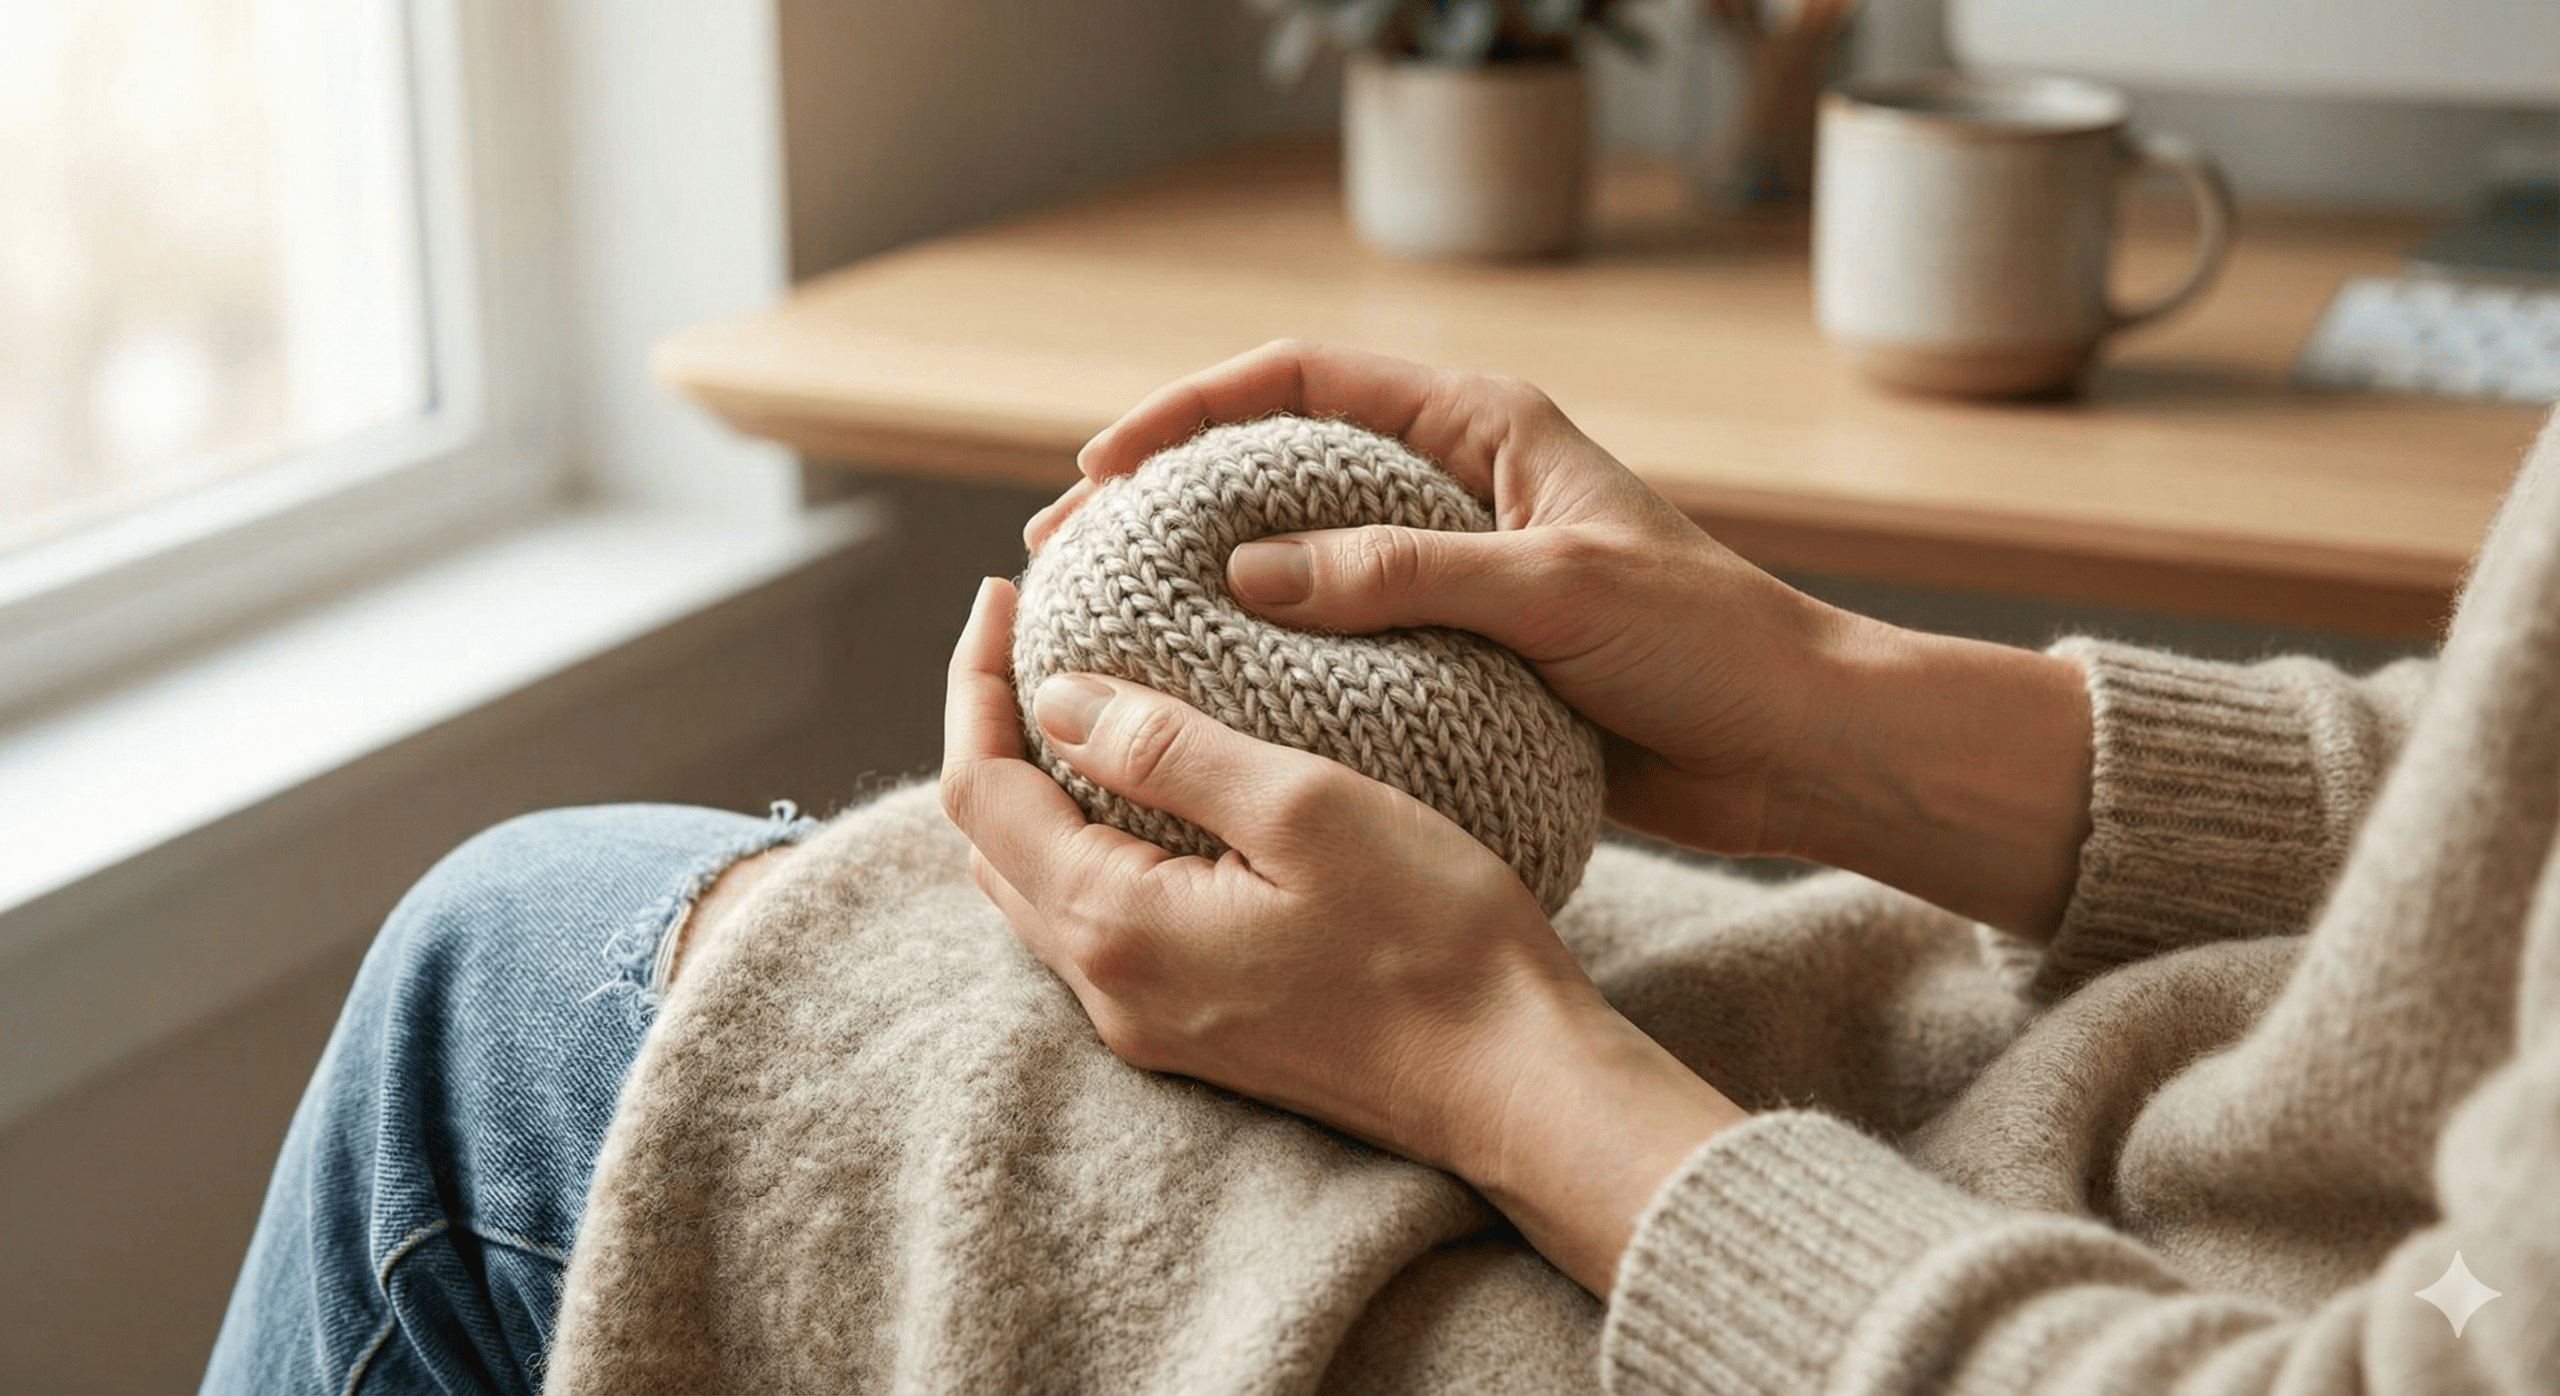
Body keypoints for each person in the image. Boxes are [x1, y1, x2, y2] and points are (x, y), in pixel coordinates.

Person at [210, 342, 2560, 1394]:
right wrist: (1844, 718)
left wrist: (1492, 1061)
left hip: (2094, 1318)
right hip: (2234, 1105)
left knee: (508, 991)